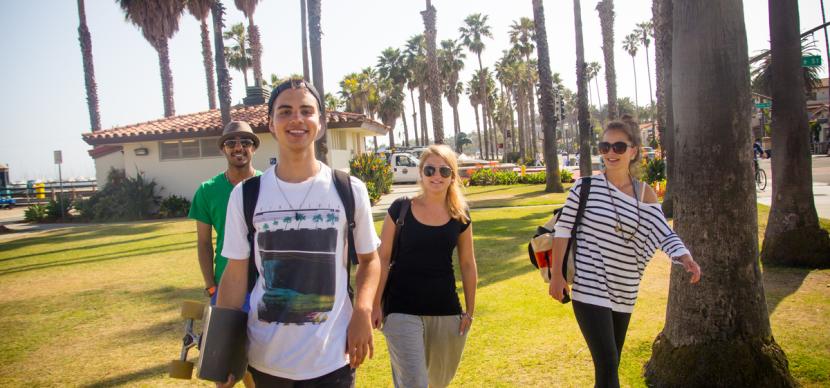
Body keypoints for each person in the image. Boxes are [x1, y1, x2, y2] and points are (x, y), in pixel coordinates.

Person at [216, 78, 381, 387]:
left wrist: (362, 310)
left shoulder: (348, 189)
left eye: (307, 111)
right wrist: (222, 348)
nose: (296, 119)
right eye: (285, 111)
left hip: (333, 358)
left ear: (320, 122)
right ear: (270, 123)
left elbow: (370, 261)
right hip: (265, 360)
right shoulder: (246, 195)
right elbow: (235, 275)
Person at [548, 120, 701, 388]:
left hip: (625, 290)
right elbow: (562, 232)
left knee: (610, 365)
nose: (611, 152)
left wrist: (684, 256)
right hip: (589, 287)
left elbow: (662, 232)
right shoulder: (584, 187)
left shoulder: (646, 195)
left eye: (619, 146)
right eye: (605, 146)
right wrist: (557, 276)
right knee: (607, 364)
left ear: (633, 151)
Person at [372, 144, 478, 388]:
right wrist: (376, 304)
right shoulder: (400, 208)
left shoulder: (460, 215)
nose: (436, 176)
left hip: (446, 310)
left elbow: (467, 263)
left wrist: (470, 310)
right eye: (430, 170)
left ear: (453, 176)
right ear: (421, 173)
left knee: (438, 382)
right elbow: (383, 258)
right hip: (401, 309)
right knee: (414, 383)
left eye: (444, 171)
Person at [188, 121, 261, 387]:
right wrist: (210, 285)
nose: (238, 147)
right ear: (223, 149)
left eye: (245, 142)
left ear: (253, 147)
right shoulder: (208, 190)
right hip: (226, 285)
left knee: (260, 365)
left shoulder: (269, 184)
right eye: (231, 143)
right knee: (223, 371)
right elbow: (204, 243)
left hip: (264, 286)